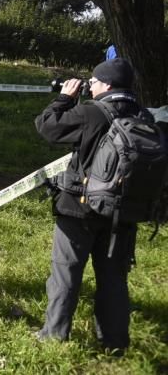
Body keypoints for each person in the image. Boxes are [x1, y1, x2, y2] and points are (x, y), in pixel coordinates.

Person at [33, 58, 142, 353]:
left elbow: (47, 127)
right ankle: (115, 342)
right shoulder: (143, 116)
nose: (90, 86)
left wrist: (65, 98)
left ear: (106, 84)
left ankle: (54, 337)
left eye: (93, 82)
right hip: (123, 213)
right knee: (114, 279)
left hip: (79, 209)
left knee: (66, 273)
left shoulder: (90, 113)